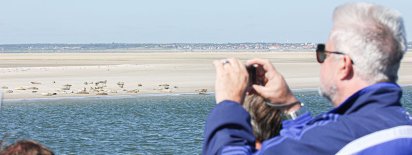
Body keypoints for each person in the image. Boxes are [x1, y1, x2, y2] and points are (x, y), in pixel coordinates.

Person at [203, 2, 412, 154]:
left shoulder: (341, 137)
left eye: (323, 53)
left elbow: (327, 141)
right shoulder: (401, 126)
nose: (320, 61)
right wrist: (291, 106)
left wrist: (228, 105)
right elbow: (321, 142)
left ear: (344, 66)